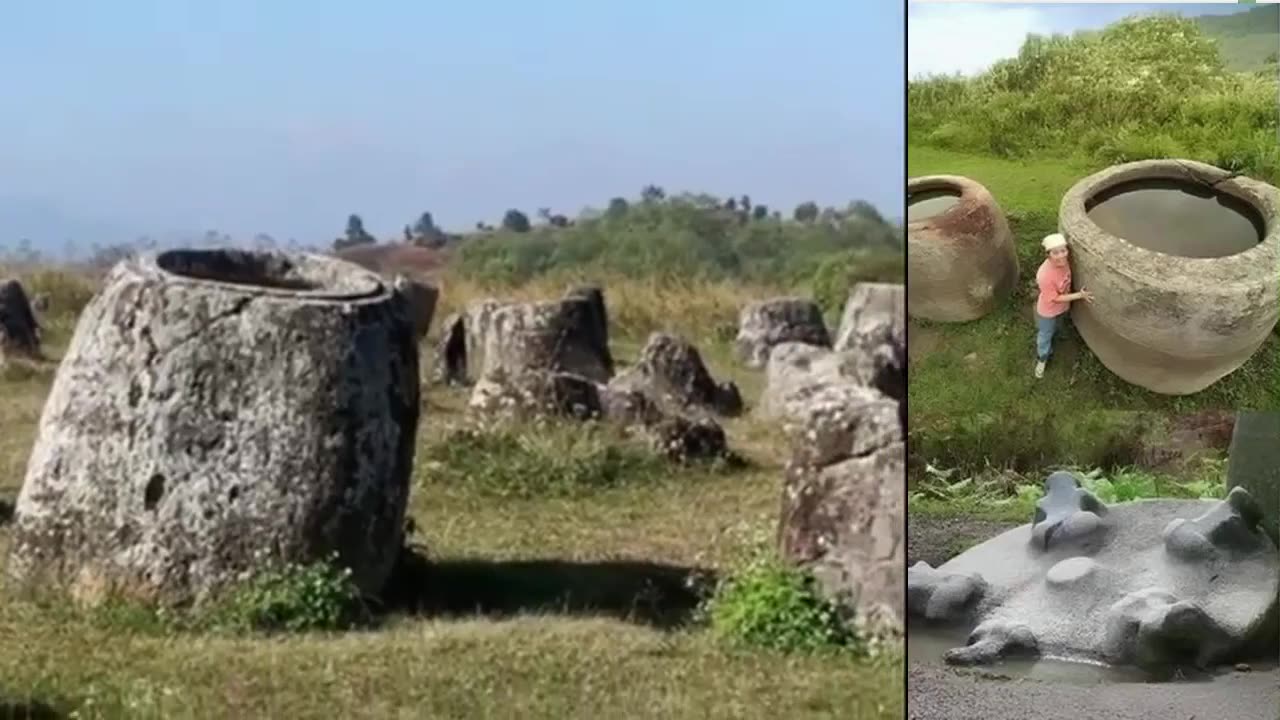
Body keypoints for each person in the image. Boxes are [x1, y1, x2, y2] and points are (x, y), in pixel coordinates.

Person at [1035, 233, 1092, 379]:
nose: (1061, 256)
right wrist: (1080, 295)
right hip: (1048, 310)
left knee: (1059, 325)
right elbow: (1054, 298)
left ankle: (1060, 334)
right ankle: (1043, 358)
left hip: (1063, 307)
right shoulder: (1044, 275)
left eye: (1063, 251)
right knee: (1045, 335)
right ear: (1048, 255)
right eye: (1055, 253)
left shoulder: (1065, 261)